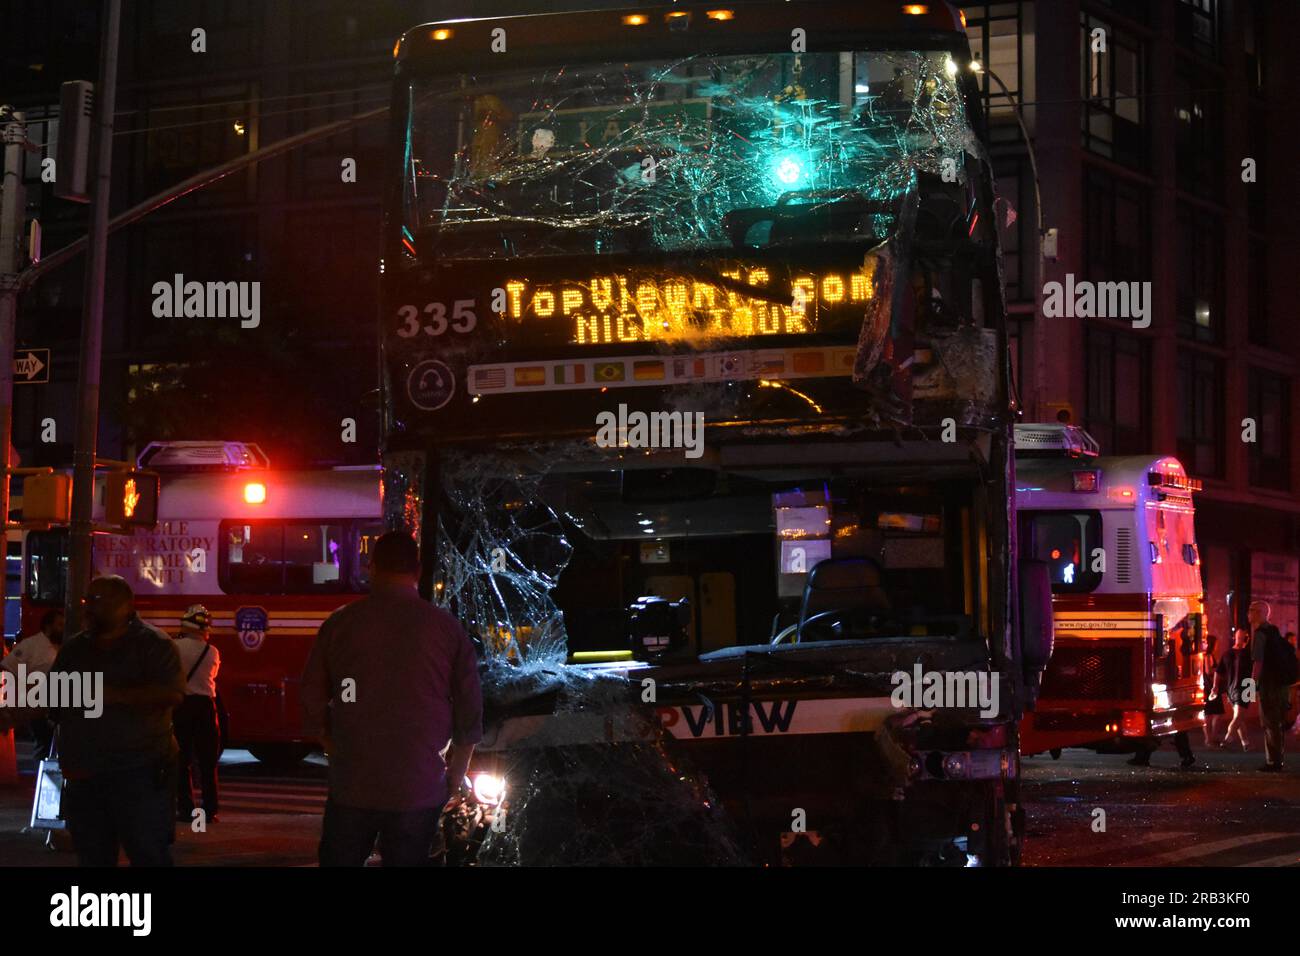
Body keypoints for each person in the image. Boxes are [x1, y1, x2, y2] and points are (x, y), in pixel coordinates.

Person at [302, 532, 483, 866]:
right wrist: (454, 777)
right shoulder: (446, 629)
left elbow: (312, 697)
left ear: (371, 568)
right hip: (419, 786)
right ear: (417, 571)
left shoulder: (341, 624)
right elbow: (470, 711)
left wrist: (331, 743)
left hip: (353, 783)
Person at [49, 576, 186, 866]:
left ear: (125, 605)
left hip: (139, 769)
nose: (89, 607)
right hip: (86, 772)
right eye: (88, 600)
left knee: (148, 851)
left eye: (98, 601)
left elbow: (172, 693)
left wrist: (114, 695)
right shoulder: (76, 648)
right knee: (92, 854)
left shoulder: (153, 644)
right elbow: (54, 694)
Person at [173, 604, 221, 823]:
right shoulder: (212, 651)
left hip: (182, 706)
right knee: (207, 761)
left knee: (182, 760)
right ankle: (209, 809)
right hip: (205, 707)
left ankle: (186, 808)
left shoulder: (174, 647)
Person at [0, 608, 64, 757]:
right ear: (48, 626)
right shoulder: (32, 645)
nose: (63, 629)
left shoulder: (63, 647)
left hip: (56, 704)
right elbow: (7, 668)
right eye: (60, 625)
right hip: (36, 706)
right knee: (44, 743)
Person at [1249, 600, 1297, 772]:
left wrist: (1251, 687)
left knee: (1269, 722)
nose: (1249, 612)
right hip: (1282, 684)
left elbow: (1258, 663)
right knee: (1276, 722)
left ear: (1261, 613)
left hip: (1270, 685)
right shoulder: (1274, 632)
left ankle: (1273, 762)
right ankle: (1277, 759)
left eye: (1252, 610)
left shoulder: (1260, 634)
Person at [1217, 627, 1253, 751]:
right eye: (1239, 636)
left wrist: (1215, 688)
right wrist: (1215, 687)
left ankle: (1237, 740)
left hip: (1240, 687)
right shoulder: (1233, 653)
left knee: (1239, 716)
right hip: (1239, 687)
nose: (1240, 638)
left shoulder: (1245, 653)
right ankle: (1237, 740)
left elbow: (1218, 671)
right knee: (1239, 717)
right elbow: (1219, 671)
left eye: (1241, 636)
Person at [1201, 633, 1223, 748]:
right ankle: (1210, 738)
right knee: (1213, 713)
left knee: (1211, 713)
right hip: (1210, 687)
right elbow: (1209, 671)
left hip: (1210, 686)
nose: (1217, 646)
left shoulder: (1208, 655)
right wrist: (1218, 670)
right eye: (1216, 644)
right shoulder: (1208, 656)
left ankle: (1211, 738)